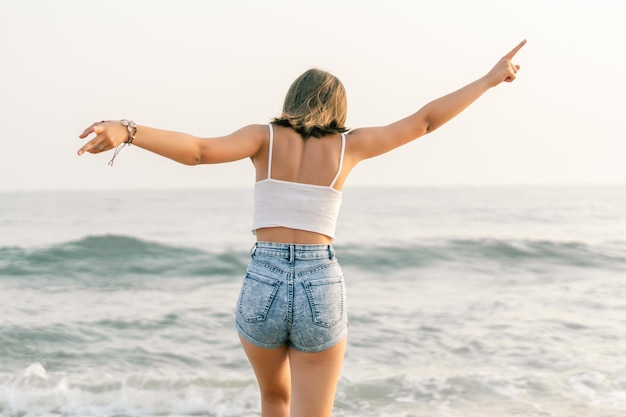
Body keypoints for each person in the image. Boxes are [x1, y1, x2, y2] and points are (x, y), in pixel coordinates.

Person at [77, 39, 526, 417]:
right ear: (339, 107)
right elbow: (425, 121)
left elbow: (197, 151)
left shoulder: (262, 138)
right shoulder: (350, 146)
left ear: (291, 99)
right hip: (319, 282)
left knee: (274, 400)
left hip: (264, 279)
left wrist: (129, 130)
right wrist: (489, 79)